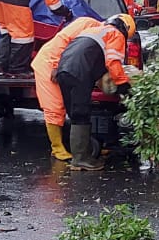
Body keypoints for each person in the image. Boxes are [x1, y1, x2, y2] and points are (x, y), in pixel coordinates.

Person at [54, 15, 136, 170]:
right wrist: (123, 85)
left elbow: (92, 57)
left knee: (74, 113)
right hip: (79, 71)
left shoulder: (94, 30)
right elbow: (113, 62)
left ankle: (81, 155)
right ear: (126, 29)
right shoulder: (115, 34)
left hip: (63, 69)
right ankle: (81, 159)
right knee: (81, 113)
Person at [33, 16, 103, 161]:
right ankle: (57, 148)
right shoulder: (88, 24)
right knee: (54, 107)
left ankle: (81, 145)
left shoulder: (101, 33)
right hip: (49, 63)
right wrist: (55, 65)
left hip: (64, 65)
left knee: (71, 106)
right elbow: (63, 40)